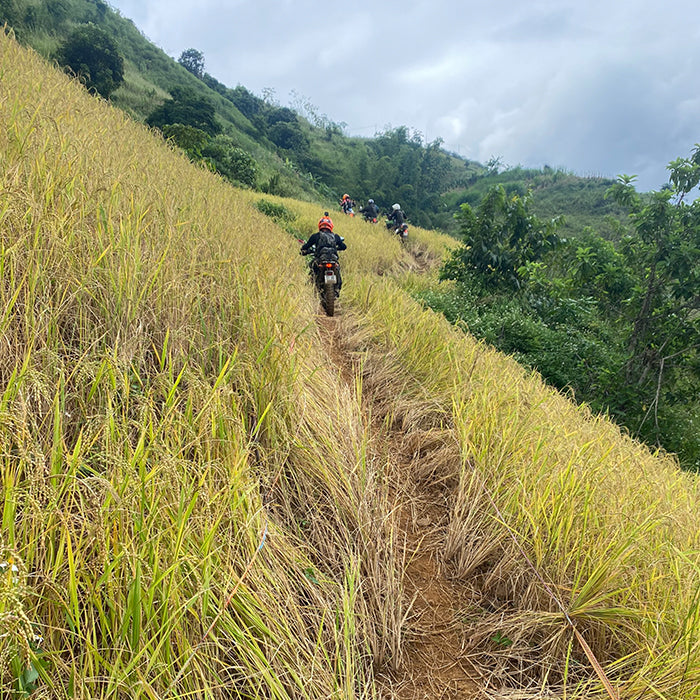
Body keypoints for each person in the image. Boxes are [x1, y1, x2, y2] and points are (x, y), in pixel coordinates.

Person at [300, 213, 347, 293]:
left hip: (321, 260)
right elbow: (344, 247)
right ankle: (337, 289)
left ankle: (312, 287)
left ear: (320, 225)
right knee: (338, 269)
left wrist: (304, 251)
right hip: (333, 260)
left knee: (312, 269)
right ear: (331, 226)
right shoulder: (336, 236)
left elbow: (306, 246)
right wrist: (337, 248)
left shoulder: (316, 236)